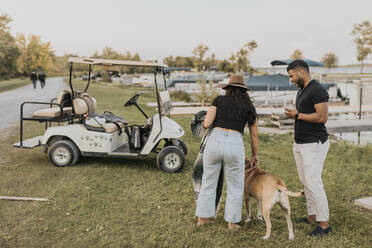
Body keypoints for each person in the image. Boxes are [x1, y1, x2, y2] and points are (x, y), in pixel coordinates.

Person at [195, 74, 259, 230]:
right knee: (235, 185)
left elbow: (207, 123)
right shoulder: (250, 107)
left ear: (228, 88)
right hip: (234, 143)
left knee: (208, 181)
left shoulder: (218, 100)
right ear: (244, 90)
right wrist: (254, 155)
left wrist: (205, 119)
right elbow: (254, 135)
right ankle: (232, 222)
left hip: (215, 141)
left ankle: (203, 219)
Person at [284, 60, 331, 236]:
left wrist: (298, 114)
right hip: (301, 143)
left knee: (313, 181)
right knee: (305, 181)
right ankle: (312, 215)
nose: (291, 80)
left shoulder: (317, 90)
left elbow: (322, 117)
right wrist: (294, 114)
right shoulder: (302, 90)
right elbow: (303, 114)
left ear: (301, 72)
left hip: (314, 143)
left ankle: (324, 223)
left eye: (292, 76)